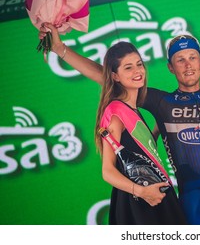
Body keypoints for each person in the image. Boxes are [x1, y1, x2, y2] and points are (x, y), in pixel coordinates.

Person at [39, 24, 200, 225]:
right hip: (191, 200)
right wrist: (60, 48)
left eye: (192, 58)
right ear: (170, 67)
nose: (188, 65)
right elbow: (104, 76)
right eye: (180, 60)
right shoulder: (163, 103)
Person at [39, 33, 187, 224]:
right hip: (140, 203)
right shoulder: (116, 113)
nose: (137, 70)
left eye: (139, 64)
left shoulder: (135, 109)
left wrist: (157, 130)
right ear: (115, 76)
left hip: (155, 197)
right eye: (128, 67)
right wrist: (142, 192)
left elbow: (138, 154)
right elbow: (107, 171)